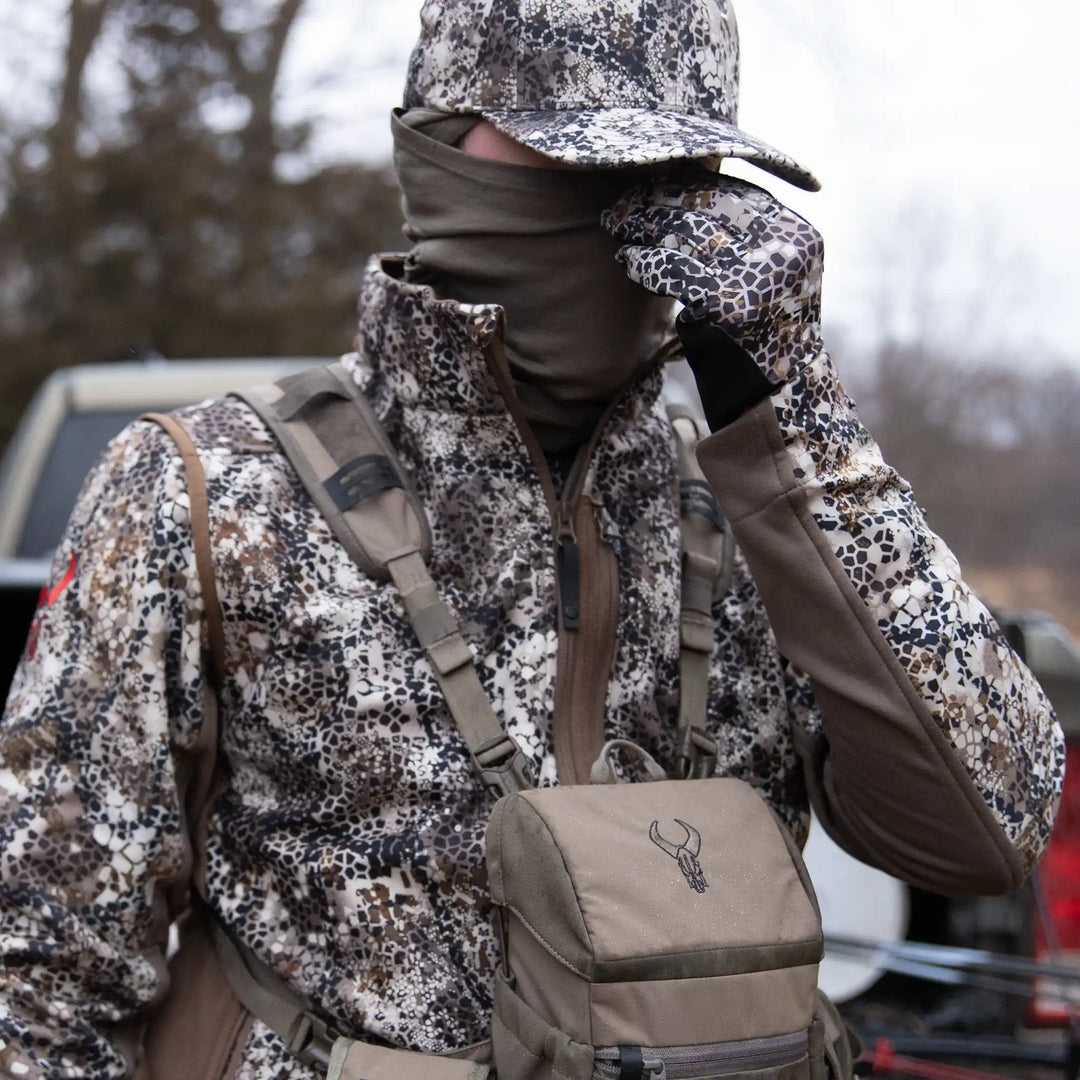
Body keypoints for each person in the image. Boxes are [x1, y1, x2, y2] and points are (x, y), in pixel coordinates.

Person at [0, 1, 1063, 1077]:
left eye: (675, 172)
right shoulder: (216, 492)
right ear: (437, 146)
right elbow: (43, 977)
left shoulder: (760, 510)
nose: (629, 212)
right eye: (576, 160)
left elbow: (989, 825)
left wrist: (794, 418)